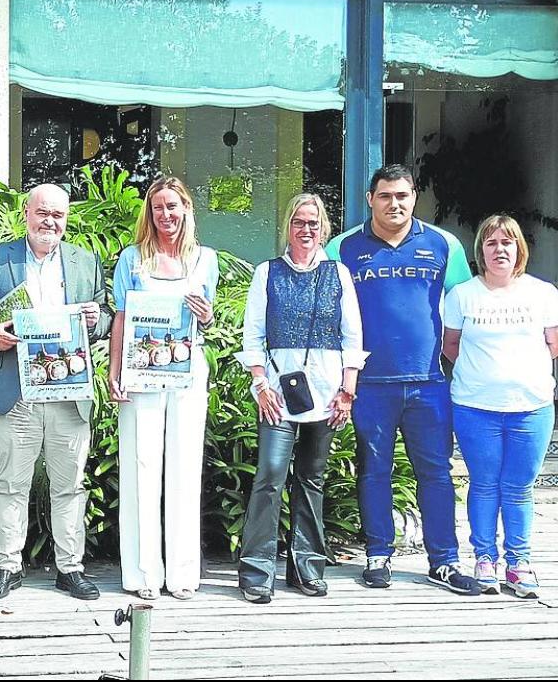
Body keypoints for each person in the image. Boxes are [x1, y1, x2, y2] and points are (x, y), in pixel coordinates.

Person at [326, 164, 480, 595]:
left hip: (430, 382)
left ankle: (444, 561)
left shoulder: (443, 245)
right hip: (370, 383)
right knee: (374, 470)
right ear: (370, 198)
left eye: (403, 195)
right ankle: (378, 555)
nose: (395, 204)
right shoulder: (343, 248)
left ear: (414, 197)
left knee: (436, 473)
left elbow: (465, 310)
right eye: (386, 196)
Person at [0, 183, 111, 601]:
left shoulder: (85, 261)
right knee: (11, 484)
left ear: (67, 219)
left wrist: (96, 318)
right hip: (18, 392)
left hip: (68, 391)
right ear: (26, 214)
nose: (50, 221)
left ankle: (70, 568)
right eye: (42, 213)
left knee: (71, 485)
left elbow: (103, 316)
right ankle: (8, 566)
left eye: (58, 215)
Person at [234, 194, 367, 604]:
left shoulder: (338, 274)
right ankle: (257, 571)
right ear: (288, 227)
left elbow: (352, 337)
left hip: (327, 395)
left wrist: (348, 392)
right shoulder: (267, 273)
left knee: (311, 478)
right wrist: (260, 385)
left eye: (313, 223)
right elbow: (253, 335)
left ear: (322, 227)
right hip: (277, 394)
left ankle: (306, 566)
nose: (306, 230)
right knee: (270, 475)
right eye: (298, 222)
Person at [108, 176, 217, 600]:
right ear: (149, 214)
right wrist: (115, 372)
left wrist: (206, 316)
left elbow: (206, 321)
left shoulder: (205, 260)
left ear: (186, 209)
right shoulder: (132, 260)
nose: (165, 215)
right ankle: (142, 574)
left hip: (188, 375)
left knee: (185, 469)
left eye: (173, 207)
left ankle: (184, 574)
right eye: (158, 208)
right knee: (141, 467)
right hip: (141, 374)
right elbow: (119, 319)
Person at [442, 214, 558, 599]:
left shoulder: (543, 294)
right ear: (481, 251)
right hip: (476, 408)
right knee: (485, 484)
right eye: (491, 243)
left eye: (507, 242)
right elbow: (451, 346)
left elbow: (554, 344)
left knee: (520, 487)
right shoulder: (462, 295)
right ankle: (485, 558)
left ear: (519, 249)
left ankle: (519, 563)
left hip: (532, 407)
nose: (499, 250)